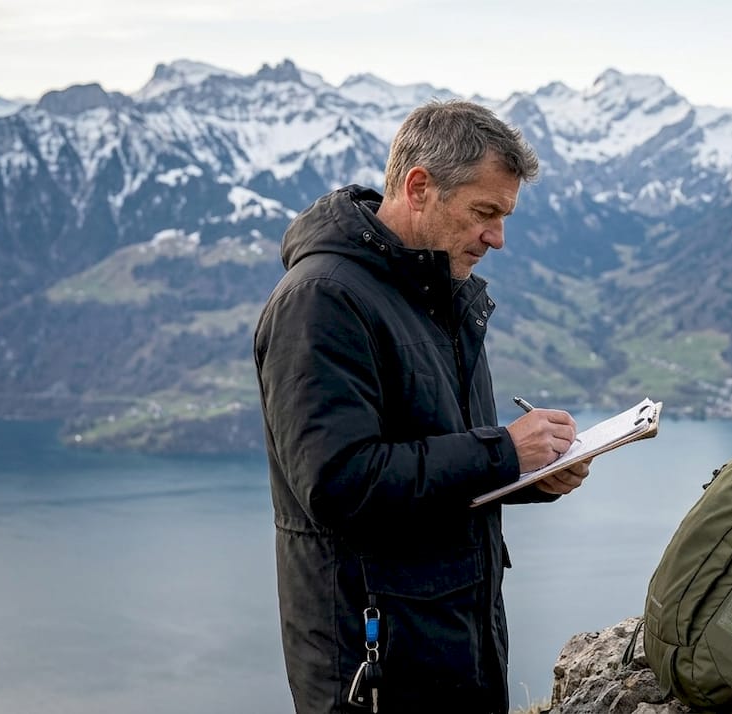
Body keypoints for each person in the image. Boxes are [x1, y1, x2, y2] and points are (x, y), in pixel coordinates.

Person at [253, 99, 591, 713]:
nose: (498, 237)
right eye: (485, 212)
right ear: (419, 187)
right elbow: (339, 483)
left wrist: (530, 473)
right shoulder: (322, 301)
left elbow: (437, 454)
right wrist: (503, 450)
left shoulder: (439, 292)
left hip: (454, 644)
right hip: (374, 663)